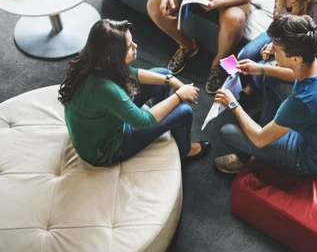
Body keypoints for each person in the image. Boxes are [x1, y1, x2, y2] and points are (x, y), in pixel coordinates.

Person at [58, 19, 210, 167]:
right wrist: (179, 95)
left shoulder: (93, 60)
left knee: (162, 74)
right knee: (184, 111)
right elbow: (143, 121)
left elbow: (132, 73)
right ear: (113, 56)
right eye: (130, 46)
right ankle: (185, 150)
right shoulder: (106, 89)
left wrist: (171, 80)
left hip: (100, 126)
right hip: (105, 149)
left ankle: (166, 123)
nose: (136, 46)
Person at [213, 14, 317, 176]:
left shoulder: (303, 101)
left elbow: (259, 139)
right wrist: (260, 68)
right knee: (270, 79)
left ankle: (247, 155)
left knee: (228, 132)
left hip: (311, 160)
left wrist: (232, 104)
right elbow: (297, 76)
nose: (271, 50)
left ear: (296, 59)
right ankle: (269, 123)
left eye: (276, 49)